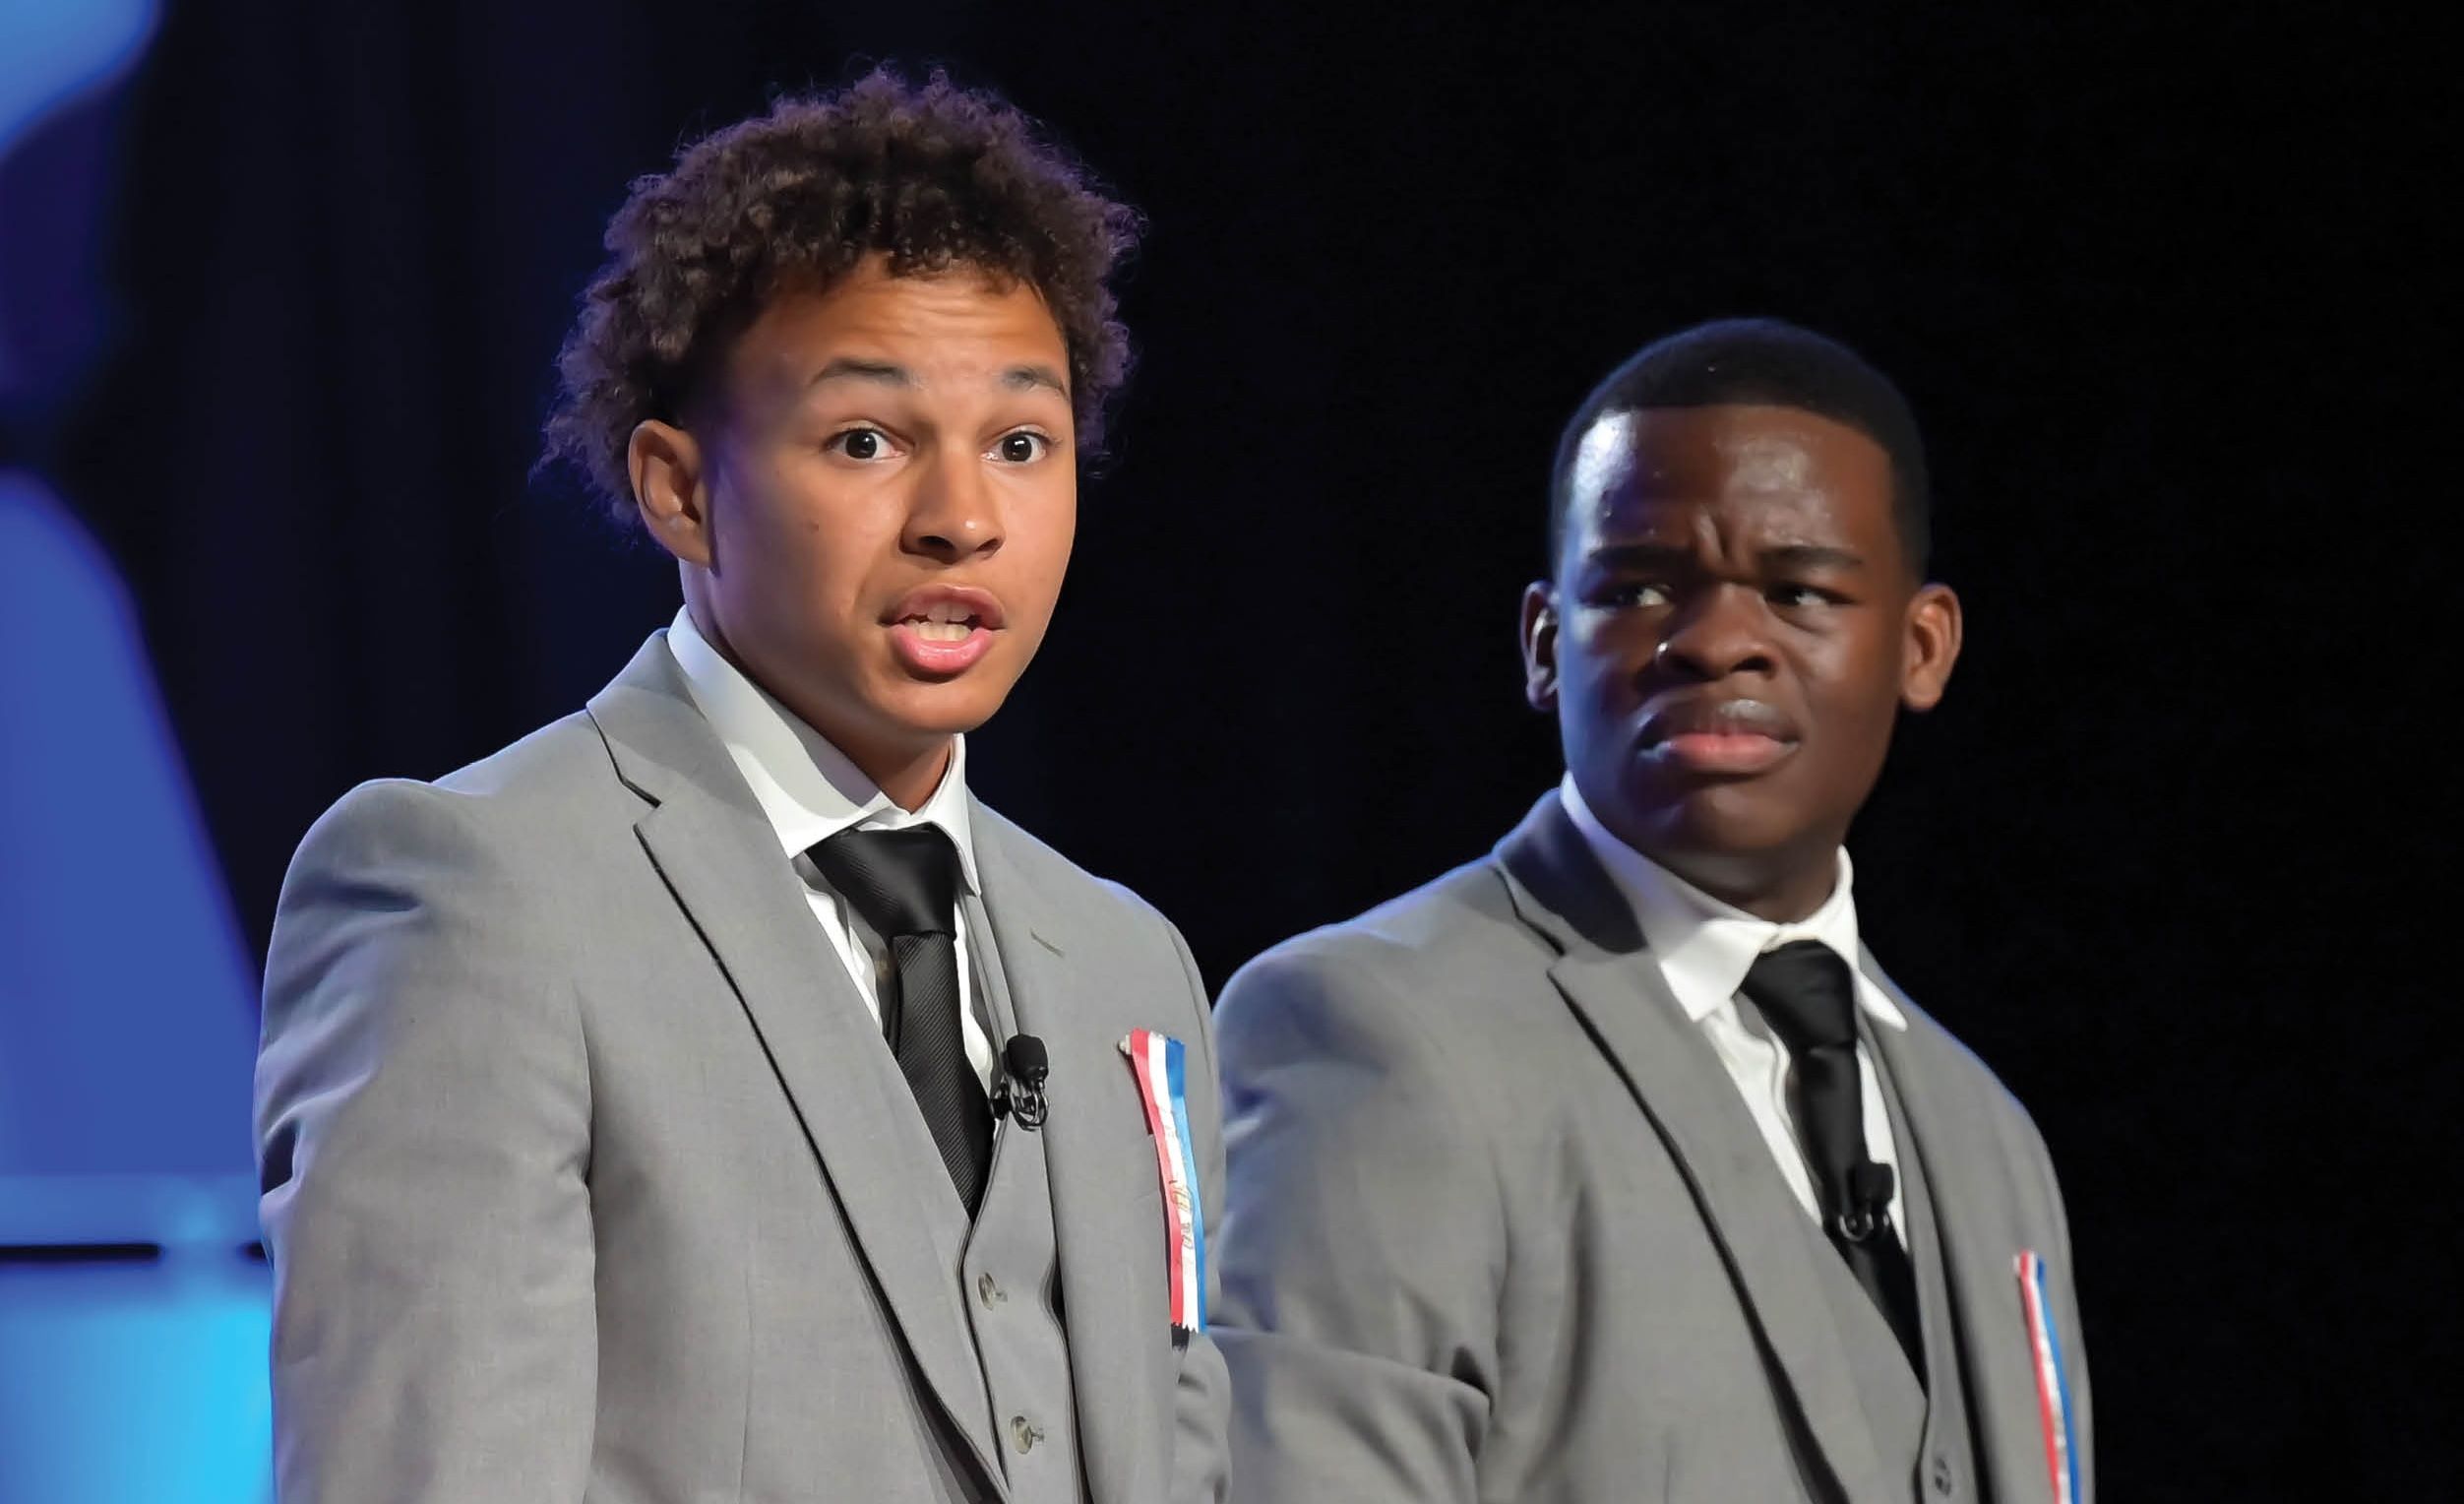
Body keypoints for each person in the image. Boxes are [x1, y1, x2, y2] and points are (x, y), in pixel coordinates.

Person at [255, 71, 1229, 1504]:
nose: (962, 519)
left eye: (1021, 444)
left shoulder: (1127, 962)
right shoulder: (472, 894)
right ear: (680, 489)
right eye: (866, 440)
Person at [1211, 319, 2091, 1503]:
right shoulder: (1364, 1031)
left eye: (1796, 590)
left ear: (1920, 646)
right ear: (1542, 646)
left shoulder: (1987, 1133)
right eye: (1635, 588)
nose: (1716, 642)